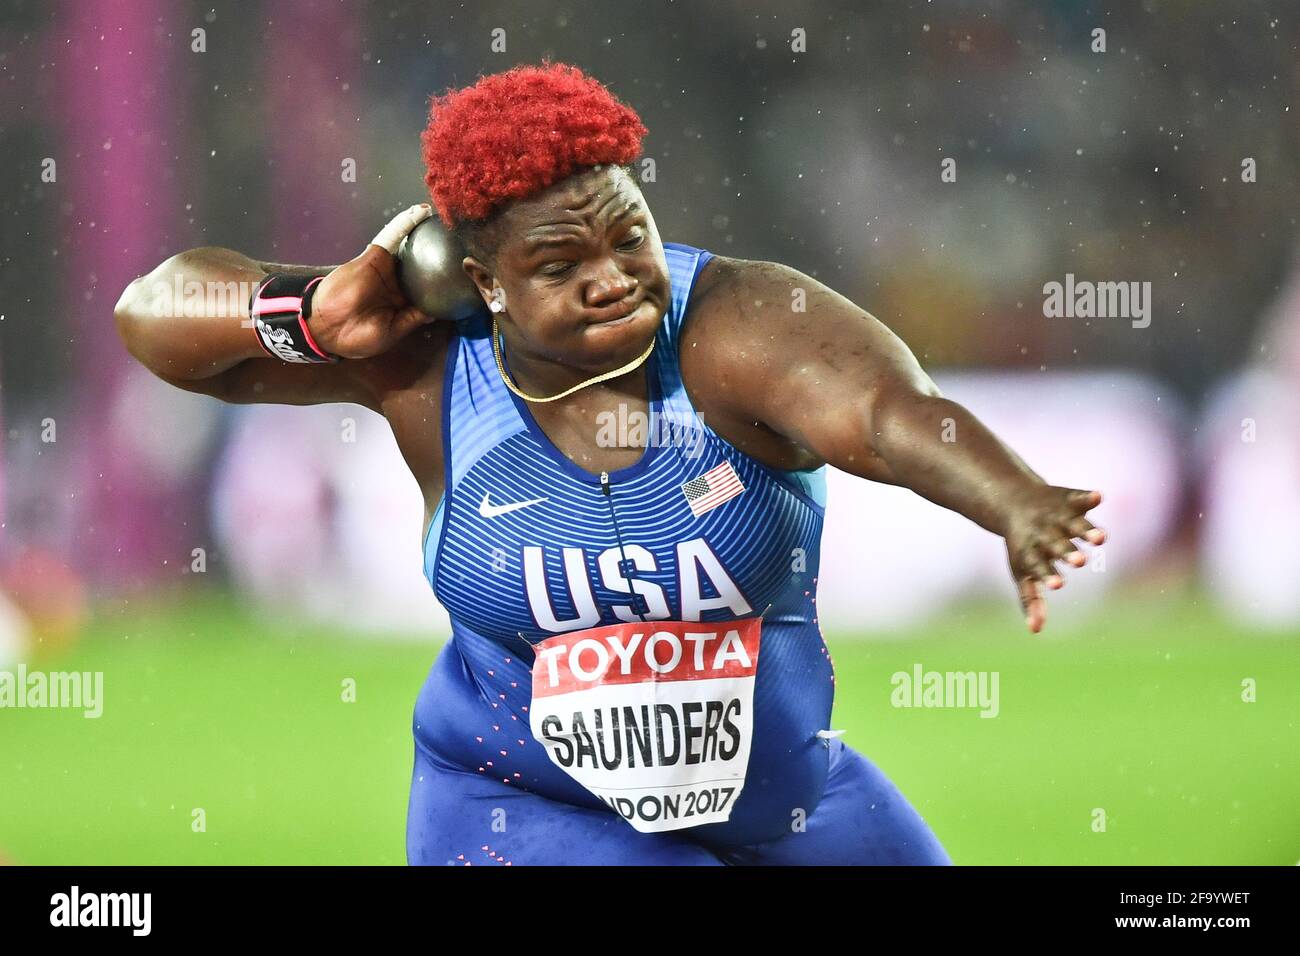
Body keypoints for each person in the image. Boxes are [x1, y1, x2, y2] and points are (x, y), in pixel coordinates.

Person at [114, 61, 1105, 865]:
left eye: (626, 234)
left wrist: (1013, 500)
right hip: (515, 806)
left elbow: (890, 416)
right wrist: (312, 306)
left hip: (785, 798)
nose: (612, 282)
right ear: (480, 284)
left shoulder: (734, 325)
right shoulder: (420, 367)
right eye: (557, 267)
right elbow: (152, 317)